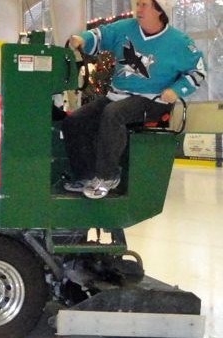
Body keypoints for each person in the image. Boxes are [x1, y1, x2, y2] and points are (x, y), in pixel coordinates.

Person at [62, 0, 205, 199]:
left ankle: (108, 176)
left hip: (153, 101)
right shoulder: (126, 28)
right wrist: (82, 38)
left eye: (144, 5)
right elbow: (102, 34)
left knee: (114, 114)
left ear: (159, 10)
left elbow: (198, 71)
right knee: (74, 121)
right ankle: (86, 175)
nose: (137, 9)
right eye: (137, 4)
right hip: (117, 96)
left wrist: (176, 89)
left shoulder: (179, 43)